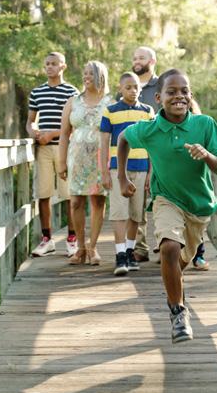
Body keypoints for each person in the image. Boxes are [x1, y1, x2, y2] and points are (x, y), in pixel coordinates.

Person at [117, 69, 217, 343]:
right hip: (166, 199)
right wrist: (121, 177)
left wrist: (206, 155)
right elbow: (123, 139)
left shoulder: (205, 124)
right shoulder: (150, 129)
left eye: (184, 91)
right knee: (168, 248)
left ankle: (175, 292)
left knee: (178, 263)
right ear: (158, 98)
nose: (179, 96)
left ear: (191, 96)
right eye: (172, 92)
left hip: (199, 207)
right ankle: (178, 312)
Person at [100, 72, 154, 276]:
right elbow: (104, 143)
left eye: (136, 87)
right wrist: (105, 172)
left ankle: (130, 252)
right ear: (120, 88)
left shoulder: (148, 112)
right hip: (118, 169)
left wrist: (151, 172)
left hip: (141, 167)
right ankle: (120, 254)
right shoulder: (110, 111)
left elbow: (152, 144)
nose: (133, 91)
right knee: (119, 212)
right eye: (128, 87)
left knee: (136, 213)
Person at [58, 61, 112, 265]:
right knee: (75, 202)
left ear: (101, 76)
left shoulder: (110, 102)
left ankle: (93, 247)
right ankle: (80, 248)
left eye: (91, 73)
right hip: (77, 158)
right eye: (85, 73)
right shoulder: (73, 101)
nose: (86, 76)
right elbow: (64, 134)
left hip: (100, 157)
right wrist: (61, 162)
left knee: (98, 201)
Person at [27, 52, 79, 257]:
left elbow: (74, 124)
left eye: (54, 64)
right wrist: (34, 132)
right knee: (43, 193)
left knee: (69, 195)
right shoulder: (37, 92)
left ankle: (72, 239)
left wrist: (52, 134)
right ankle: (46, 239)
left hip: (65, 148)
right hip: (43, 150)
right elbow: (30, 121)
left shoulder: (72, 92)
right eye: (47, 64)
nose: (49, 67)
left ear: (63, 66)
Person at [130, 46, 160, 262]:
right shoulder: (127, 85)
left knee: (161, 200)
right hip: (136, 154)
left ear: (152, 61)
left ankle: (163, 245)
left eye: (141, 58)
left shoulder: (163, 85)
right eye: (134, 58)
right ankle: (140, 248)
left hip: (160, 152)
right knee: (137, 203)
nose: (136, 61)